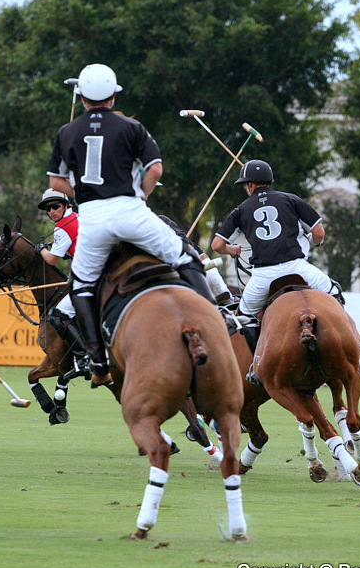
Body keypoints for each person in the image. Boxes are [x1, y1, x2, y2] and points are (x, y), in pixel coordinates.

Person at [48, 64, 214, 385]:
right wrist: (142, 195)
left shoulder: (66, 132)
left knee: (80, 285)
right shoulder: (132, 127)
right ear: (113, 96)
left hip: (93, 220)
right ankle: (216, 320)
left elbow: (56, 182)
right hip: (131, 212)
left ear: (82, 98)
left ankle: (98, 362)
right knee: (186, 257)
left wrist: (83, 194)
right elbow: (156, 170)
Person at [211, 159, 334, 353]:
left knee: (244, 315)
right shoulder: (291, 200)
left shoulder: (241, 210)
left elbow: (217, 245)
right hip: (297, 269)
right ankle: (352, 344)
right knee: (334, 292)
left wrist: (231, 250)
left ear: (250, 184)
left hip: (264, 277)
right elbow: (319, 233)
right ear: (270, 181)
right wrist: (312, 241)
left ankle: (257, 360)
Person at [35, 188, 86, 359]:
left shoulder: (62, 226)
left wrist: (42, 249)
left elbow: (51, 260)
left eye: (55, 206)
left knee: (58, 315)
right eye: (47, 209)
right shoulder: (77, 217)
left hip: (91, 274)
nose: (51, 211)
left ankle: (84, 357)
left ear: (66, 205)